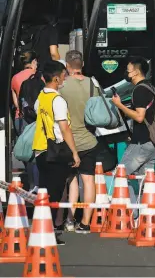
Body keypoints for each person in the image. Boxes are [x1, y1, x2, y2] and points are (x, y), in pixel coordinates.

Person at [32, 60, 80, 245]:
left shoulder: (41, 96)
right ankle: (48, 232)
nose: (65, 78)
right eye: (63, 75)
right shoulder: (57, 100)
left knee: (44, 191)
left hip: (40, 149)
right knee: (54, 192)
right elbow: (64, 128)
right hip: (55, 151)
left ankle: (43, 229)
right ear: (56, 78)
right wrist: (74, 152)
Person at [111, 56, 155, 219]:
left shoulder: (140, 90)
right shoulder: (150, 87)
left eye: (129, 69)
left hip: (142, 143)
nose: (127, 72)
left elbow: (139, 117)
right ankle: (148, 216)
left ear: (136, 72)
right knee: (146, 182)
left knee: (121, 174)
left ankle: (134, 213)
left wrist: (119, 105)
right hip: (152, 143)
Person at [59, 50, 99, 234]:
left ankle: (69, 219)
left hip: (69, 140)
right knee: (88, 180)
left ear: (67, 65)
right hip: (89, 140)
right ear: (82, 65)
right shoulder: (93, 83)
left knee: (70, 180)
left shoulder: (62, 86)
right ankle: (85, 223)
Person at [11, 50, 39, 192]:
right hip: (37, 119)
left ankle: (33, 182)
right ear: (34, 62)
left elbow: (16, 102)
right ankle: (39, 183)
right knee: (38, 151)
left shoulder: (15, 78)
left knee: (27, 153)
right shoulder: (39, 77)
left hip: (21, 118)